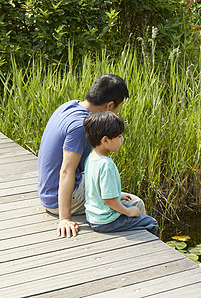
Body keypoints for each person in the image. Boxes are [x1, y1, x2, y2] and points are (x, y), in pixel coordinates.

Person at [37, 74, 146, 238]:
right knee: (136, 203)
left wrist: (113, 192)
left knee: (119, 197)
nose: (118, 112)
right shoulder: (80, 126)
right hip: (56, 197)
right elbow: (66, 171)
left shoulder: (69, 106)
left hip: (47, 189)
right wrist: (64, 218)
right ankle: (144, 248)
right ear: (110, 106)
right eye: (119, 108)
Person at [83, 111, 158, 235]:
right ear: (105, 140)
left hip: (93, 216)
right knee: (151, 223)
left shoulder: (91, 157)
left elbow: (97, 189)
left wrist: (118, 194)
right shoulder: (106, 165)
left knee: (135, 209)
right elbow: (108, 199)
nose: (122, 139)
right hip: (106, 220)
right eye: (119, 136)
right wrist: (127, 212)